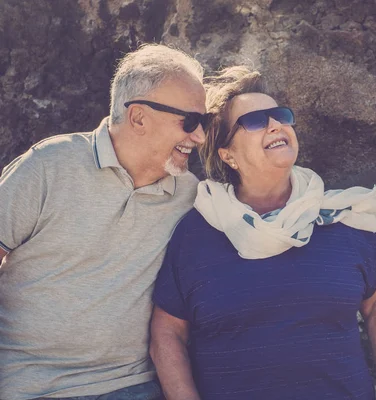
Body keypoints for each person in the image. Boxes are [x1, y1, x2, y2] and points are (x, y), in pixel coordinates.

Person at [151, 67, 376, 400]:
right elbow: (167, 332)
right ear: (228, 156)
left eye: (280, 116)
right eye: (256, 121)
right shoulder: (199, 232)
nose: (276, 125)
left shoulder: (340, 220)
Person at [0, 43, 208, 400]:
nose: (200, 136)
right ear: (139, 117)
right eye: (189, 121)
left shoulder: (191, 197)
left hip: (132, 386)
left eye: (204, 123)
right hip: (29, 384)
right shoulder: (49, 166)